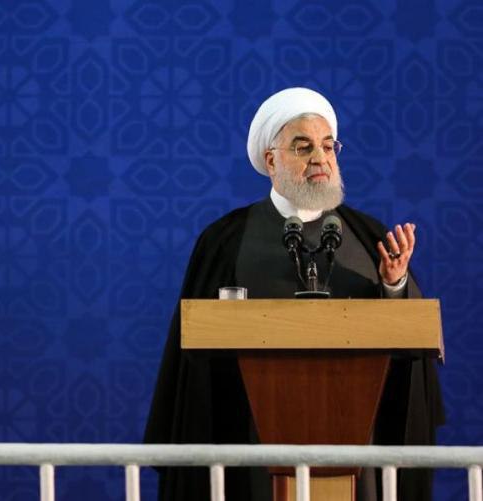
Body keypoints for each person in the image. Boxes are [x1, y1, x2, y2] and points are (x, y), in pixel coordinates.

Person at [144, 88, 445, 501]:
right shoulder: (225, 241)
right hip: (249, 444)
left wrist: (394, 285)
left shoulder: (367, 235)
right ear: (271, 161)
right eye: (303, 147)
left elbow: (408, 351)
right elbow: (194, 371)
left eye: (328, 146)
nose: (320, 158)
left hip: (358, 449)